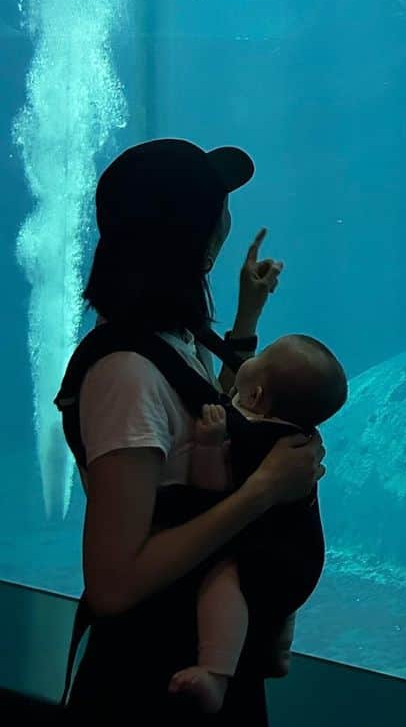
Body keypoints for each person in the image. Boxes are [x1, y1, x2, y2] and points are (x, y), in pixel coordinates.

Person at [57, 138, 326, 724]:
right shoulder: (126, 374)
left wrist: (247, 315)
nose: (227, 210)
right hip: (154, 682)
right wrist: (266, 491)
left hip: (198, 659)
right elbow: (113, 584)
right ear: (193, 236)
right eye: (215, 203)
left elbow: (213, 415)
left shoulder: (168, 336)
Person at [169, 334, 348, 713]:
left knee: (223, 581)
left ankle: (216, 673)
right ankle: (278, 647)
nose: (255, 355)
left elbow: (213, 491)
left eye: (262, 354)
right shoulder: (296, 437)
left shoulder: (248, 435)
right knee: (271, 598)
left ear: (255, 397)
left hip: (269, 560)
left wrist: (206, 446)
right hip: (302, 557)